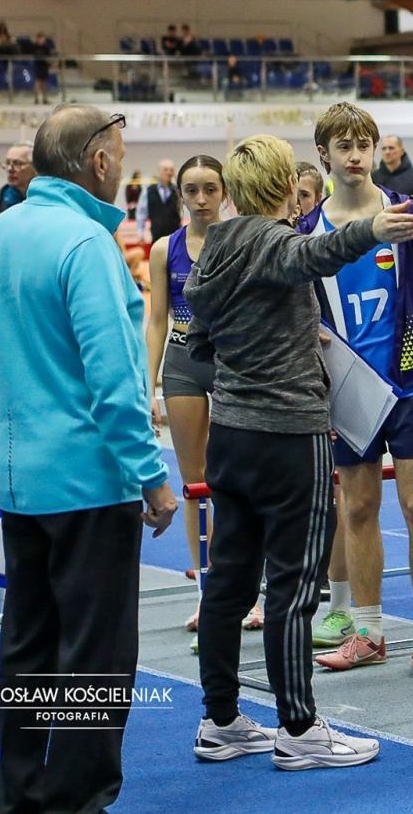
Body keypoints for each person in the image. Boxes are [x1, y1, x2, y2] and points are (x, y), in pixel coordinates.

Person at [0, 107, 177, 810]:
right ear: (98, 162)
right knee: (95, 658)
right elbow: (114, 381)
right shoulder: (87, 243)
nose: (121, 165)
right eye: (120, 153)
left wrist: (14, 445)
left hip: (22, 483)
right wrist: (151, 477)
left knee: (26, 648)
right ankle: (77, 802)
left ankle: (18, 795)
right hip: (89, 484)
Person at [185, 133, 410, 771]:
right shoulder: (274, 240)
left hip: (231, 434)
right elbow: (317, 252)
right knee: (292, 586)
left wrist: (255, 353)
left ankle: (220, 719)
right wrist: (375, 229)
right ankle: (300, 729)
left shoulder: (214, 248)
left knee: (229, 583)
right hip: (289, 436)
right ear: (288, 186)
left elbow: (196, 343)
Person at [301, 105, 413, 676]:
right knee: (359, 506)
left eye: (363, 144)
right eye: (343, 145)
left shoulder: (407, 214)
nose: (355, 156)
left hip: (411, 380)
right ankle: (367, 631)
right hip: (348, 389)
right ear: (323, 153)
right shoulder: (308, 231)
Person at [144, 156, 262, 639]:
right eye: (191, 190)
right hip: (182, 364)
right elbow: (156, 320)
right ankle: (207, 593)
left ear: (225, 193)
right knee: (196, 483)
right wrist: (147, 387)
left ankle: (250, 593)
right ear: (180, 196)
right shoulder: (164, 249)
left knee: (241, 480)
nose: (200, 200)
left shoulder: (241, 243)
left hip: (231, 362)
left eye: (210, 189)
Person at [0, 141, 35, 229]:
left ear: (36, 166)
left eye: (18, 163)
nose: (10, 169)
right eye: (7, 163)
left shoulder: (50, 200)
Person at [136, 157, 183, 243]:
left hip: (175, 237)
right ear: (159, 171)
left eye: (171, 170)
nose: (169, 172)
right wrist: (140, 232)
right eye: (165, 169)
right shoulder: (148, 190)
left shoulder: (177, 191)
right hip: (156, 236)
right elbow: (141, 213)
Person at [31, 31, 54, 105]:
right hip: (38, 66)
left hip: (44, 66)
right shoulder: (34, 46)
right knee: (38, 82)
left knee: (44, 83)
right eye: (40, 39)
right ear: (37, 39)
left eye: (43, 39)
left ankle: (45, 99)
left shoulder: (46, 47)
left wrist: (49, 63)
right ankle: (36, 99)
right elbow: (34, 55)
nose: (42, 40)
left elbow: (49, 56)